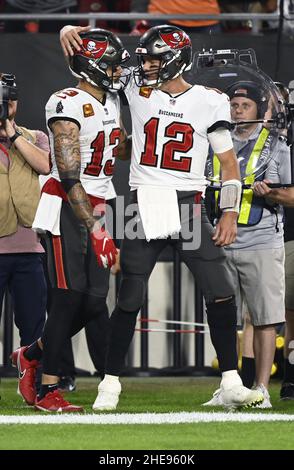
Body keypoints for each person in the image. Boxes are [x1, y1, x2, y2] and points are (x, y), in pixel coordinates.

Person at [61, 24, 264, 411]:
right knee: (130, 296)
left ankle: (231, 381)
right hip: (144, 200)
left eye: (155, 58)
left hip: (188, 201)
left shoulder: (209, 100)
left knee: (220, 289)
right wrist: (70, 29)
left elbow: (227, 164)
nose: (147, 65)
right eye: (146, 58)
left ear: (175, 58)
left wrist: (228, 213)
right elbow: (91, 61)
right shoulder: (136, 86)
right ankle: (110, 383)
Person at [11, 28, 132, 412]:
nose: (118, 73)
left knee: (94, 302)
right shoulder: (65, 103)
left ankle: (31, 354)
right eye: (112, 66)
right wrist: (96, 229)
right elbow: (68, 175)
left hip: (100, 202)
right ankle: (48, 389)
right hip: (69, 203)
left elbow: (117, 149)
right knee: (67, 297)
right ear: (92, 66)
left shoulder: (110, 100)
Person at [207, 81, 290, 407]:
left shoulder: (277, 145)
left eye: (244, 105)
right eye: (233, 105)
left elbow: (293, 193)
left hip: (261, 239)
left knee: (265, 317)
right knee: (225, 316)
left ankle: (263, 388)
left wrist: (271, 193)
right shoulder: (216, 142)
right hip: (221, 239)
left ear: (259, 109)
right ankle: (231, 386)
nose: (237, 110)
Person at [0, 73, 49, 361]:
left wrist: (12, 132)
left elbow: (44, 166)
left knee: (33, 327)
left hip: (29, 248)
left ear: (15, 105)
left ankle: (34, 387)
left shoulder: (35, 137)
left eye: (7, 102)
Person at [253, 182, 294, 400]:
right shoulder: (284, 149)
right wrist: (271, 193)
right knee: (291, 315)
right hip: (289, 237)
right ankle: (291, 379)